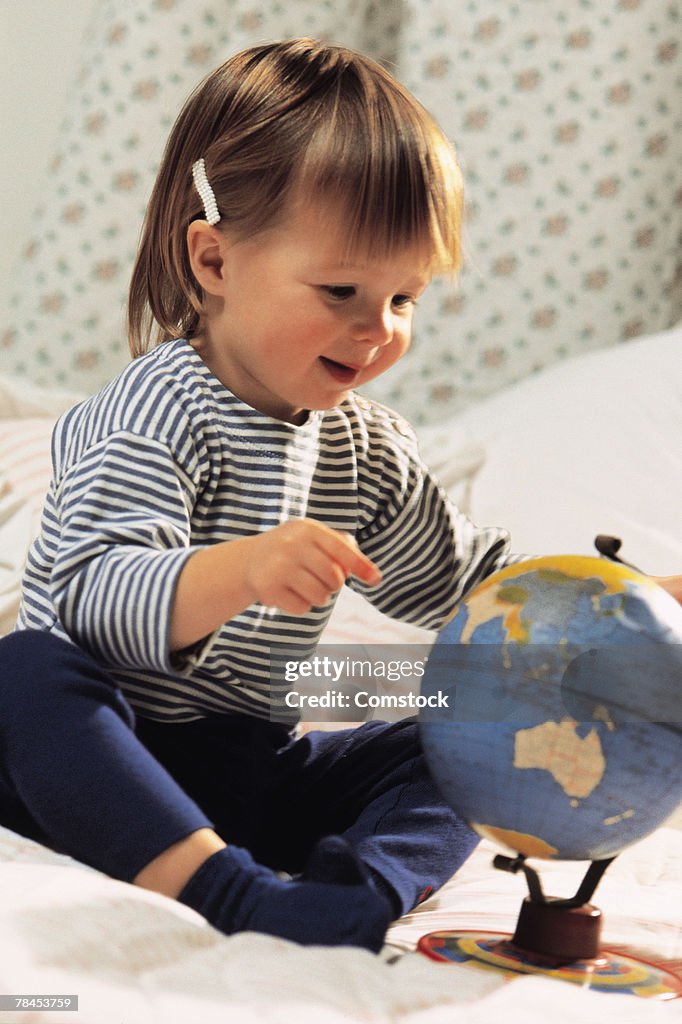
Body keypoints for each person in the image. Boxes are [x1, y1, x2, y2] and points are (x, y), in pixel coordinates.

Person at [1, 38, 680, 954]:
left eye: (406, 297)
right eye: (343, 290)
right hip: (99, 761)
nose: (378, 331)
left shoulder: (364, 445)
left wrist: (630, 604)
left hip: (255, 763)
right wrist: (239, 570)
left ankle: (356, 891)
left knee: (450, 720)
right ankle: (225, 894)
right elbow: (92, 597)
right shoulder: (158, 407)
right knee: (25, 670)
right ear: (213, 262)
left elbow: (464, 583)